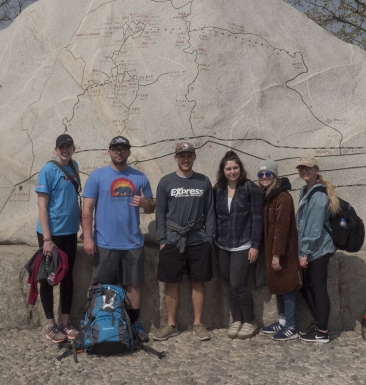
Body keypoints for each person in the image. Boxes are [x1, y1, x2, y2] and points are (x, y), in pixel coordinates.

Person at [81, 136, 155, 343]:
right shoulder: (97, 176)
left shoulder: (140, 178)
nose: (119, 152)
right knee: (106, 286)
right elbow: (86, 210)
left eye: (123, 149)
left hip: (132, 243)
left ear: (129, 152)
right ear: (109, 152)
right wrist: (88, 238)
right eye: (115, 148)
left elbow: (151, 207)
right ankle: (108, 324)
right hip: (105, 243)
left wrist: (144, 204)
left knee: (134, 285)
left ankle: (135, 324)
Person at [152, 142, 216, 342]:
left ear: (194, 157)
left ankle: (198, 323)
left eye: (189, 155)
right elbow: (160, 212)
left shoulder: (203, 182)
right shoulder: (165, 182)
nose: (185, 159)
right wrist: (162, 239)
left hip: (198, 240)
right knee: (171, 282)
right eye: (182, 156)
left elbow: (210, 212)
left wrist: (210, 239)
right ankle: (171, 324)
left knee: (198, 281)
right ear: (175, 158)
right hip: (172, 240)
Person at [35, 134, 82, 343]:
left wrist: (82, 227)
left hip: (69, 232)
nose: (65, 150)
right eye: (61, 147)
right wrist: (46, 238)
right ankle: (50, 325)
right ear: (56, 150)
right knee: (48, 277)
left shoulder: (74, 166)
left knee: (67, 276)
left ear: (73, 148)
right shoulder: (48, 170)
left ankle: (65, 321)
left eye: (68, 147)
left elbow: (73, 199)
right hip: (51, 234)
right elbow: (42, 204)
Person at [213, 150, 263, 340]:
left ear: (240, 169)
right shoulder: (217, 189)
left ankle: (250, 321)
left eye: (235, 168)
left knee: (238, 283)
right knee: (229, 284)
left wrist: (255, 245)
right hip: (222, 244)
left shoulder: (250, 188)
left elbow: (258, 219)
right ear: (223, 170)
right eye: (228, 168)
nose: (232, 171)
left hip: (243, 244)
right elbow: (214, 217)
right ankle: (236, 319)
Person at [256, 159, 302, 341]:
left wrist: (276, 255)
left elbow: (281, 228)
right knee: (278, 285)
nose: (264, 177)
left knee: (287, 285)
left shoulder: (282, 197)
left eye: (268, 174)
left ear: (274, 176)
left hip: (283, 251)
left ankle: (291, 326)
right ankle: (282, 321)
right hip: (271, 250)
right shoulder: (268, 196)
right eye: (261, 175)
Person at [295, 156, 338, 343]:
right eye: (302, 168)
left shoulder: (319, 195)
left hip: (318, 249)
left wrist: (304, 251)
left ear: (316, 169)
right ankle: (318, 322)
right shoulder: (305, 190)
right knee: (307, 287)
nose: (305, 171)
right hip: (311, 249)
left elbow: (313, 227)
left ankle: (322, 331)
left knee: (319, 288)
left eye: (308, 168)